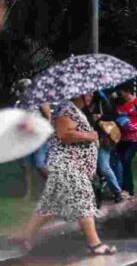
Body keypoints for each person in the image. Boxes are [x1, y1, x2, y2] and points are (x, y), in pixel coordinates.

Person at [15, 93, 117, 255]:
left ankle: (24, 236)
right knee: (84, 200)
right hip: (68, 166)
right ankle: (94, 244)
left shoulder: (75, 110)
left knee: (50, 206)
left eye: (91, 92)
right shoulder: (65, 109)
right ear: (76, 93)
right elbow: (64, 134)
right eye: (87, 92)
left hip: (70, 167)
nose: (90, 95)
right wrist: (90, 136)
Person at [13, 79, 52, 200]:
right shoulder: (19, 103)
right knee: (26, 166)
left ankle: (57, 188)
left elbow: (48, 115)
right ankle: (28, 193)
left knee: (40, 165)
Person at [87, 90, 124, 204]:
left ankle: (117, 191)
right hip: (87, 140)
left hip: (104, 140)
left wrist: (100, 116)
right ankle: (94, 194)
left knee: (103, 167)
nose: (89, 95)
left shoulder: (103, 103)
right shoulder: (82, 106)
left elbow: (115, 117)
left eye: (91, 93)